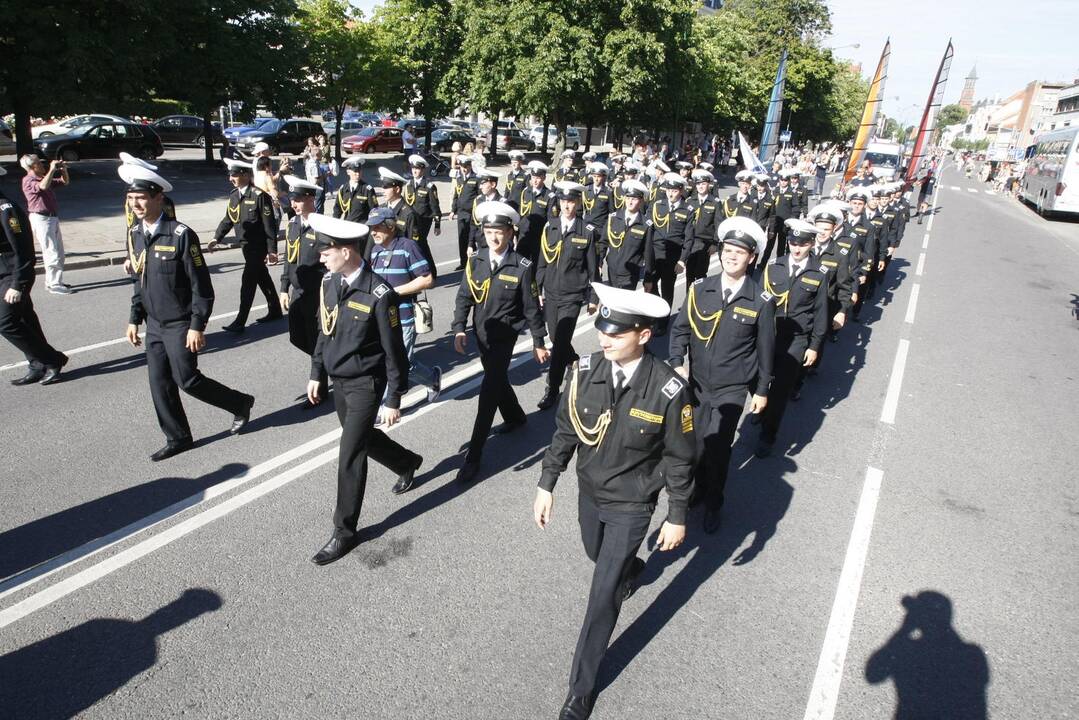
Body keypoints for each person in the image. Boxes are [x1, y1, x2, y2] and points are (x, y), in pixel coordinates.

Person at [534, 282, 694, 720]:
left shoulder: (668, 389)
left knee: (602, 594)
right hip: (591, 493)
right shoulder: (585, 370)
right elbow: (566, 431)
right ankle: (631, 568)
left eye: (617, 334)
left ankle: (580, 690)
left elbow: (681, 458)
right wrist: (547, 483)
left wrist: (676, 516)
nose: (604, 339)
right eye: (603, 329)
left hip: (632, 503)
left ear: (643, 335)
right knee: (595, 553)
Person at [305, 212, 423, 566]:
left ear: (346, 250)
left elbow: (394, 352)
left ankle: (344, 531)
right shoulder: (330, 284)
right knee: (364, 441)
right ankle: (406, 461)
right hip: (339, 382)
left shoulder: (379, 293)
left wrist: (393, 398)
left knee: (350, 453)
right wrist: (316, 373)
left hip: (366, 386)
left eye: (326, 251)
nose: (321, 256)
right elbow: (324, 333)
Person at [122, 165, 255, 461]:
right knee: (159, 383)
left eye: (141, 197)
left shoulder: (180, 234)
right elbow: (139, 281)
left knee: (187, 379)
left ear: (158, 198)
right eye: (131, 199)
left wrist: (198, 325)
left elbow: (202, 286)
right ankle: (178, 437)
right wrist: (134, 318)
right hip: (154, 324)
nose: (136, 205)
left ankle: (239, 402)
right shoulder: (135, 234)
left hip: (181, 322)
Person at [668, 216, 775, 534]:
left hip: (731, 388)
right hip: (696, 384)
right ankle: (699, 490)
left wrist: (762, 390)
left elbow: (765, 349)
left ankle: (714, 501)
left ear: (751, 258)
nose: (731, 256)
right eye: (727, 249)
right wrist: (677, 362)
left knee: (717, 448)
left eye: (739, 252)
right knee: (695, 446)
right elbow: (680, 331)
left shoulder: (760, 300)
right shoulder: (701, 289)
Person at [452, 200, 548, 483]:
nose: (494, 237)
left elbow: (531, 307)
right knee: (496, 380)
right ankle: (516, 416)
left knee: (488, 391)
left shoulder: (522, 265)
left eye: (500, 232)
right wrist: (458, 328)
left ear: (511, 233)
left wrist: (538, 342)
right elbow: (464, 297)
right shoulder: (476, 261)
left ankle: (474, 456)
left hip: (504, 336)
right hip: (480, 333)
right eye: (489, 231)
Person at [755, 218, 828, 457]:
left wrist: (814, 345)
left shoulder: (818, 272)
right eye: (793, 242)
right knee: (757, 380)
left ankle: (768, 435)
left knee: (780, 390)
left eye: (803, 243)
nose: (797, 248)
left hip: (796, 339)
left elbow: (820, 313)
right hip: (770, 334)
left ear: (811, 244)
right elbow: (761, 302)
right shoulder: (774, 266)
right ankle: (763, 411)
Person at [366, 206, 442, 414]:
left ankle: (428, 380)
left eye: (378, 227)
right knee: (389, 361)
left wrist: (394, 292)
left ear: (391, 226)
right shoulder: (375, 250)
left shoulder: (408, 246)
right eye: (371, 228)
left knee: (402, 363)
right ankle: (389, 400)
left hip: (405, 316)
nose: (373, 232)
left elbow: (427, 279)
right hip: (382, 319)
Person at [1, 165, 68, 385]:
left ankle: (53, 359)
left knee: (6, 322)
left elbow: (23, 249)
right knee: (25, 318)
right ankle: (37, 364)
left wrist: (18, 284)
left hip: (12, 274)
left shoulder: (5, 209)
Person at [536, 181, 600, 411]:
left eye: (571, 201)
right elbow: (542, 262)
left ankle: (552, 389)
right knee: (556, 340)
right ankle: (577, 365)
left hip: (572, 296)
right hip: (551, 293)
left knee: (560, 342)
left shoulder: (587, 231)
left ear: (578, 203)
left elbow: (594, 268)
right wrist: (538, 291)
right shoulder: (549, 227)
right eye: (563, 201)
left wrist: (593, 298)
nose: (567, 206)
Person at [211, 159, 282, 333]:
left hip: (258, 247)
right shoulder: (234, 195)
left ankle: (240, 320)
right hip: (245, 246)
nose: (231, 178)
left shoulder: (259, 196)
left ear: (245, 175)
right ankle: (275, 309)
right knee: (262, 277)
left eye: (234, 175)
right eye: (230, 175)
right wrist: (216, 238)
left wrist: (272, 250)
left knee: (248, 281)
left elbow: (269, 225)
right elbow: (228, 219)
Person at [279, 175, 326, 406]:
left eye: (297, 199)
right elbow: (290, 258)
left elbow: (332, 263)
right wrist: (283, 288)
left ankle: (319, 382)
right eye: (292, 199)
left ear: (310, 199)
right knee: (297, 337)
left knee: (315, 338)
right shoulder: (293, 224)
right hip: (298, 292)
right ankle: (325, 366)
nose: (294, 204)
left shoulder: (323, 226)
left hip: (316, 294)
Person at [19, 154, 70, 295]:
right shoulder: (28, 180)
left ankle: (53, 281)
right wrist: (52, 170)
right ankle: (54, 284)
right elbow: (42, 186)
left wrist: (63, 170)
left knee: (59, 252)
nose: (43, 165)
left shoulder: (42, 177)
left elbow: (64, 182)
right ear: (32, 166)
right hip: (41, 219)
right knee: (51, 252)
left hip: (52, 218)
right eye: (39, 163)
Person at [645, 172, 691, 325]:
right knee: (650, 285)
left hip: (673, 256)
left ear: (681, 191)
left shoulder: (687, 210)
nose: (671, 194)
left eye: (675, 191)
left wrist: (682, 261)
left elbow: (689, 238)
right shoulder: (657, 205)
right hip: (655, 253)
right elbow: (648, 227)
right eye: (669, 190)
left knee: (667, 289)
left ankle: (663, 322)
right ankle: (655, 312)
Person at [598, 178, 653, 291]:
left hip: (630, 274)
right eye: (628, 198)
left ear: (641, 201)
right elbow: (603, 243)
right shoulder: (613, 218)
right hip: (612, 270)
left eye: (634, 199)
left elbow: (648, 253)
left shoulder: (646, 224)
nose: (630, 202)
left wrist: (648, 278)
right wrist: (599, 263)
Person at [677, 169, 719, 283]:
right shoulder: (690, 201)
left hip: (705, 243)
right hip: (690, 241)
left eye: (703, 184)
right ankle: (689, 298)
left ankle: (699, 298)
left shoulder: (715, 202)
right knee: (689, 273)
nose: (701, 186)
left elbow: (718, 224)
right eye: (698, 184)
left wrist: (715, 244)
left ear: (709, 185)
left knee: (701, 273)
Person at [404, 154, 442, 278]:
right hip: (411, 221)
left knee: (420, 245)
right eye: (413, 168)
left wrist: (437, 225)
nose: (415, 171)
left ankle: (431, 272)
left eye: (418, 169)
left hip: (424, 221)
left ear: (423, 170)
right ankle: (420, 273)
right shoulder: (408, 185)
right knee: (415, 246)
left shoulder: (429, 186)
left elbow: (435, 207)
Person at [516, 160, 558, 262]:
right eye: (533, 177)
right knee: (520, 264)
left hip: (538, 237)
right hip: (524, 235)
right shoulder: (526, 192)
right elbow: (520, 212)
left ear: (544, 178)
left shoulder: (549, 196)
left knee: (535, 266)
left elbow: (551, 220)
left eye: (538, 178)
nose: (535, 181)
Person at [450, 154, 479, 270]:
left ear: (470, 166)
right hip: (461, 213)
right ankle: (463, 263)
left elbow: (479, 197)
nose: (464, 168)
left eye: (466, 166)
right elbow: (456, 196)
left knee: (471, 238)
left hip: (471, 213)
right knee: (462, 237)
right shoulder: (459, 179)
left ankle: (473, 262)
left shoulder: (476, 179)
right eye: (462, 166)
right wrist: (453, 210)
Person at [334, 156, 378, 224]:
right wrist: (334, 223)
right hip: (347, 226)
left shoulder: (367, 189)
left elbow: (374, 211)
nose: (358, 174)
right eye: (355, 171)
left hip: (362, 227)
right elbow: (337, 209)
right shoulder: (343, 189)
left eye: (359, 171)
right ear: (348, 172)